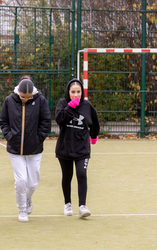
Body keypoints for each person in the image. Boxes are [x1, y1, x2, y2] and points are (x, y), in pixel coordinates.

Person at [0, 78, 51, 222]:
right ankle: (22, 208)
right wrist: (9, 136)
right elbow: (3, 121)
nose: (26, 99)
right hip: (15, 149)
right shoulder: (9, 100)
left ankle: (27, 198)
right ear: (18, 91)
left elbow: (46, 121)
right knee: (21, 180)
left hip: (35, 148)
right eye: (23, 97)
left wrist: (38, 138)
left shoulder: (40, 100)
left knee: (33, 183)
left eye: (29, 98)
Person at [55, 78, 100, 218]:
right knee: (67, 177)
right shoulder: (62, 104)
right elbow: (59, 119)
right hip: (65, 147)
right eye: (73, 92)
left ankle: (82, 206)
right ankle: (67, 204)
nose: (76, 94)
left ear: (82, 92)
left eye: (78, 92)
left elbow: (95, 121)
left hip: (82, 148)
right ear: (68, 92)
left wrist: (93, 136)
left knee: (81, 174)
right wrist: (70, 106)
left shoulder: (87, 105)